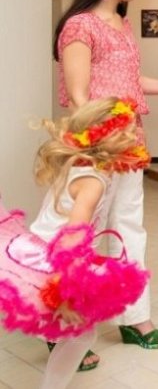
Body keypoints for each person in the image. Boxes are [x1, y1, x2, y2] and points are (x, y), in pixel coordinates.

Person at [52, 0, 158, 352]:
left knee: (130, 231)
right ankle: (62, 328)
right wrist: (103, 141)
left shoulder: (122, 22)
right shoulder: (79, 26)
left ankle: (134, 318)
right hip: (96, 150)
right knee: (84, 236)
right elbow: (80, 97)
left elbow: (128, 81)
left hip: (130, 147)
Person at [0, 97, 150, 389]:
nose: (136, 136)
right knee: (81, 333)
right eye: (130, 132)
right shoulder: (93, 181)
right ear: (107, 138)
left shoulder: (82, 165)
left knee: (81, 334)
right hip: (51, 262)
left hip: (39, 250)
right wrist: (67, 289)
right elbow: (72, 236)